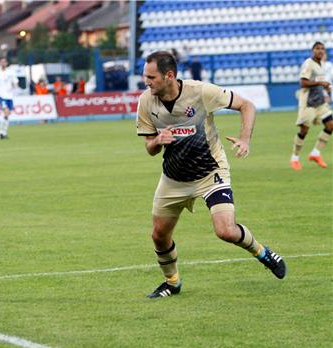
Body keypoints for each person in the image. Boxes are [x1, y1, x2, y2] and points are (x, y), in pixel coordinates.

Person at [136, 51, 286, 299]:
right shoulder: (146, 101)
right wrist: (157, 142)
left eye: (151, 77)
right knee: (159, 235)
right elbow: (150, 148)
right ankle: (172, 283)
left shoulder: (201, 92)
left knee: (225, 230)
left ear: (169, 75)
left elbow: (246, 105)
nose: (146, 81)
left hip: (210, 172)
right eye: (145, 76)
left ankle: (262, 252)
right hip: (173, 179)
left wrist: (245, 139)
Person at [289, 42, 332, 170]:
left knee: (330, 125)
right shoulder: (308, 64)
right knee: (304, 130)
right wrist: (320, 83)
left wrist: (325, 90)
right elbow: (303, 82)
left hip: (320, 103)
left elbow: (319, 83)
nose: (320, 51)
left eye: (322, 49)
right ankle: (295, 158)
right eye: (317, 48)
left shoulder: (322, 65)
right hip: (308, 104)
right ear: (312, 50)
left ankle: (315, 154)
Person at [0, 57, 18, 140]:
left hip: (9, 96)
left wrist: (14, 88)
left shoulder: (10, 72)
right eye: (1, 62)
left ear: (7, 63)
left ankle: (3, 133)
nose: (3, 63)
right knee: (6, 112)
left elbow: (15, 82)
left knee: (7, 114)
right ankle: (1, 133)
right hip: (2, 96)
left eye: (4, 62)